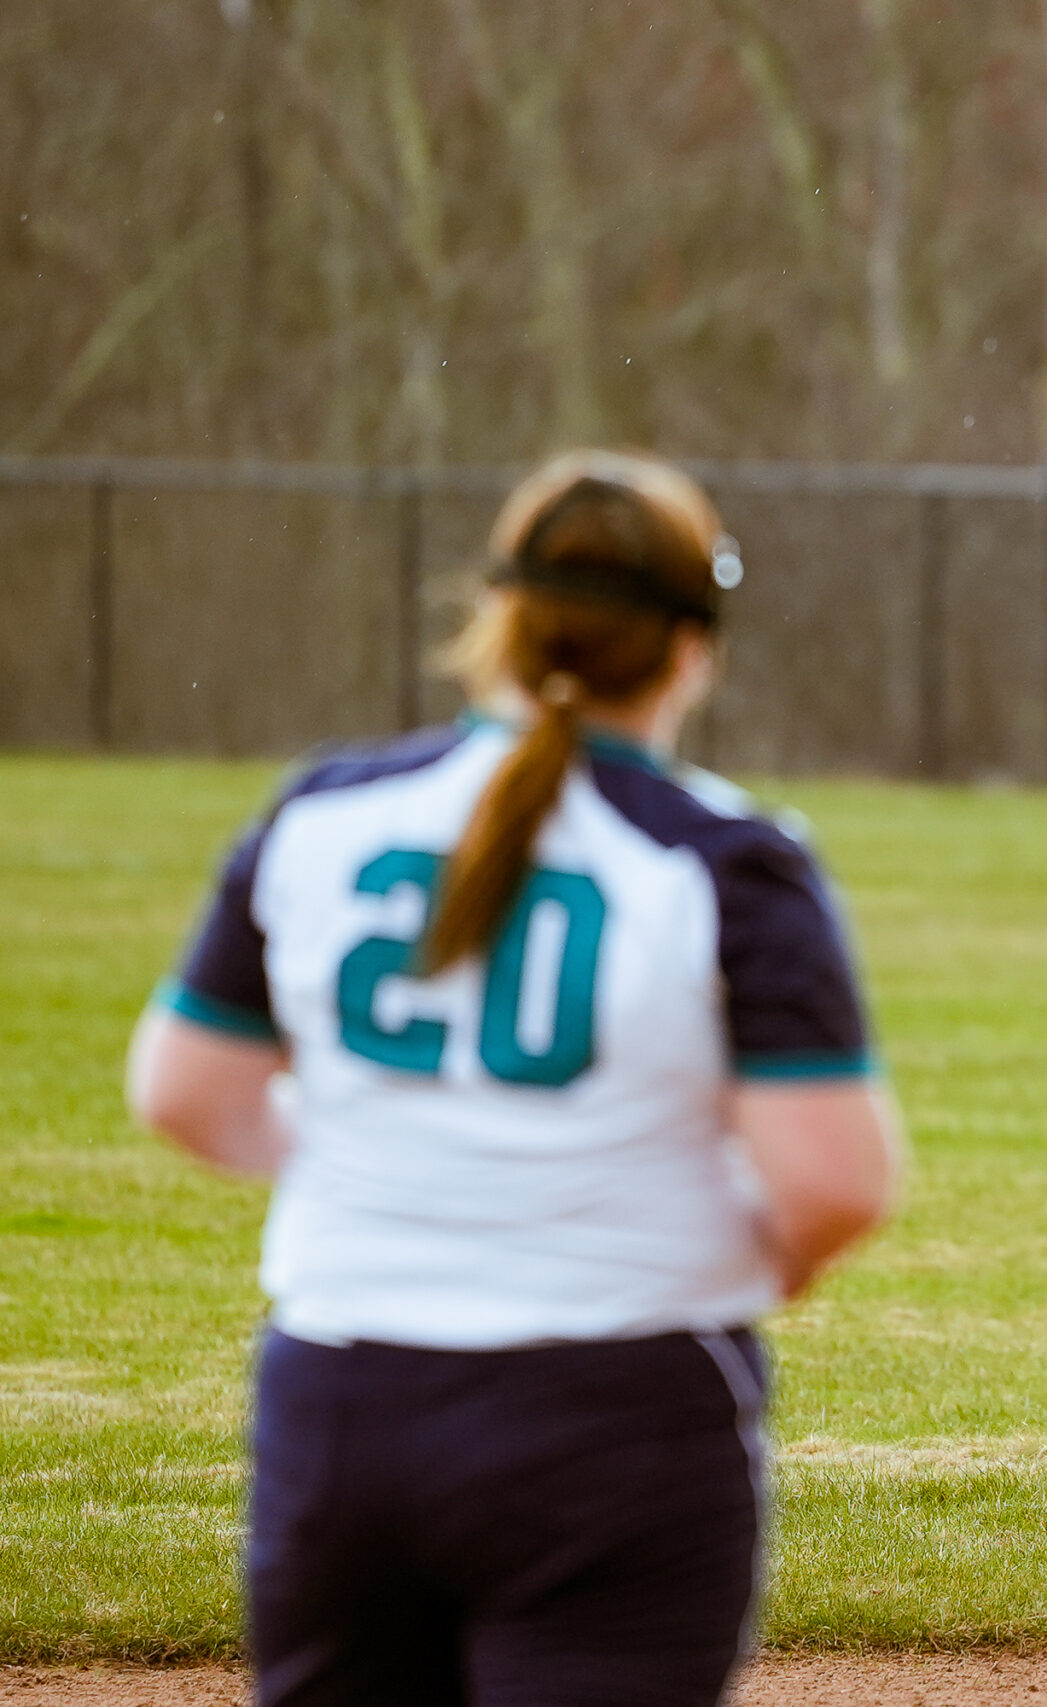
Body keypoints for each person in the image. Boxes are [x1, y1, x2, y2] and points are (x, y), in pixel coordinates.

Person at [126, 449, 904, 1705]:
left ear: (494, 617)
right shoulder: (726, 863)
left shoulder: (320, 815)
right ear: (691, 650)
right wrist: (758, 1256)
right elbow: (835, 1182)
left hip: (345, 1399)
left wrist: (402, 1167)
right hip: (614, 1412)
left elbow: (183, 1092)